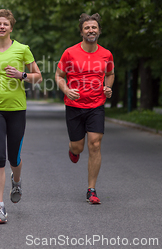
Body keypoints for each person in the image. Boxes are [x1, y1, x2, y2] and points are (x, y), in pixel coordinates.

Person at [0, 9, 42, 224]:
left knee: (14, 158)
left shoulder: (22, 49)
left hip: (17, 109)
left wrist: (21, 75)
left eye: (6, 24)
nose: (2, 27)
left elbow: (38, 77)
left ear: (11, 28)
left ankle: (16, 181)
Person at [55, 13, 114, 205]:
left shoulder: (106, 54)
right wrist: (66, 89)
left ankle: (92, 189)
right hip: (74, 106)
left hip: (96, 105)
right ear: (81, 31)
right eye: (87, 28)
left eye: (94, 27)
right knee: (78, 146)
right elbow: (59, 75)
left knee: (95, 144)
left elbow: (110, 72)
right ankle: (73, 150)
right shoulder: (69, 53)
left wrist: (108, 87)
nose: (91, 30)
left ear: (99, 31)